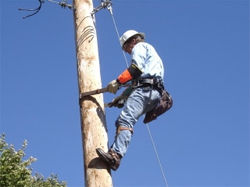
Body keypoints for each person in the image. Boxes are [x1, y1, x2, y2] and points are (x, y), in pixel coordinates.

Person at [96, 30, 165, 170]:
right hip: (154, 93)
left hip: (146, 89)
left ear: (132, 41)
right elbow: (141, 79)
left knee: (125, 120)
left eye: (126, 48)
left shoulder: (140, 47)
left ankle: (115, 155)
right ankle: (115, 153)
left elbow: (136, 69)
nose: (127, 52)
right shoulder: (151, 52)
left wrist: (117, 82)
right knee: (123, 121)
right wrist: (122, 97)